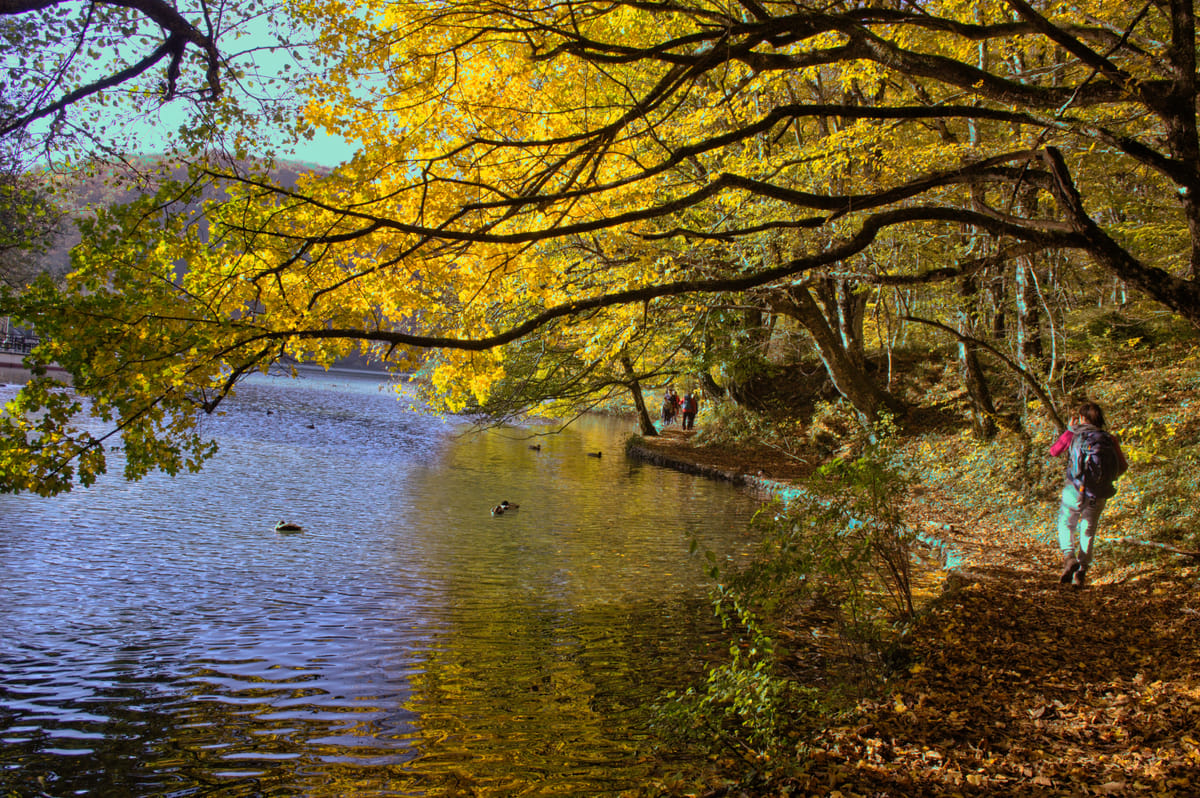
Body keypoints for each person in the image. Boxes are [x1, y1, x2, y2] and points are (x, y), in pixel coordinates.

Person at [1048, 401, 1128, 586]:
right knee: (1088, 530)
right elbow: (1122, 466)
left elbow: (1054, 451)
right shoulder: (1108, 438)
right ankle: (1081, 572)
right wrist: (1104, 479)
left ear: (1082, 417)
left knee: (1066, 524)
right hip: (1098, 493)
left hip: (1074, 489)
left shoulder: (1075, 434)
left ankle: (1069, 558)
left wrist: (1069, 429)